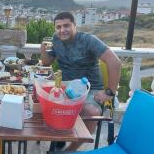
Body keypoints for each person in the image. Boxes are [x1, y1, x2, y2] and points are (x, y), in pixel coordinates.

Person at [40, 11, 121, 152]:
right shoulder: (56, 39)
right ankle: (61, 138)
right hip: (66, 87)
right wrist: (42, 50)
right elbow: (47, 62)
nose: (62, 30)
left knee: (90, 111)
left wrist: (109, 92)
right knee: (42, 100)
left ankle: (70, 149)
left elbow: (115, 62)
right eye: (58, 27)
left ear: (75, 26)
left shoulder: (88, 40)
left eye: (66, 26)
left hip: (90, 88)